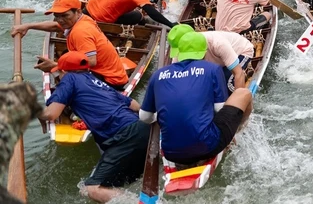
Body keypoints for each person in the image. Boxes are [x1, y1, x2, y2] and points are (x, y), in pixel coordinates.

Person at [40, 51, 150, 203]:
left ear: (63, 71)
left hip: (124, 136)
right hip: (143, 129)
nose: (57, 79)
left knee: (91, 189)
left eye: (57, 74)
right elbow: (135, 105)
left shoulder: (69, 79)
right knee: (117, 184)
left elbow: (51, 114)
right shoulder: (97, 82)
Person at [139, 32, 252, 166]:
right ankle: (239, 129)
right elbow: (220, 109)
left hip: (170, 153)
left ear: (177, 53)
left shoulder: (158, 75)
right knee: (244, 93)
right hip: (208, 146)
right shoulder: (213, 69)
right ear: (204, 52)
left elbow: (144, 117)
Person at [13, 0, 129, 90]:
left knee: (64, 69)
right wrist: (28, 26)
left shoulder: (80, 32)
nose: (60, 20)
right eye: (57, 16)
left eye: (64, 15)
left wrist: (55, 66)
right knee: (65, 57)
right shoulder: (82, 19)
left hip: (110, 80)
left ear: (77, 12)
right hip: (112, 73)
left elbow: (92, 62)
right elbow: (55, 26)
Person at [166, 25, 254, 92]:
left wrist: (236, 108)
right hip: (215, 62)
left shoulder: (217, 43)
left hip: (240, 51)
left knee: (228, 86)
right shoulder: (180, 51)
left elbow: (238, 74)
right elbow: (177, 78)